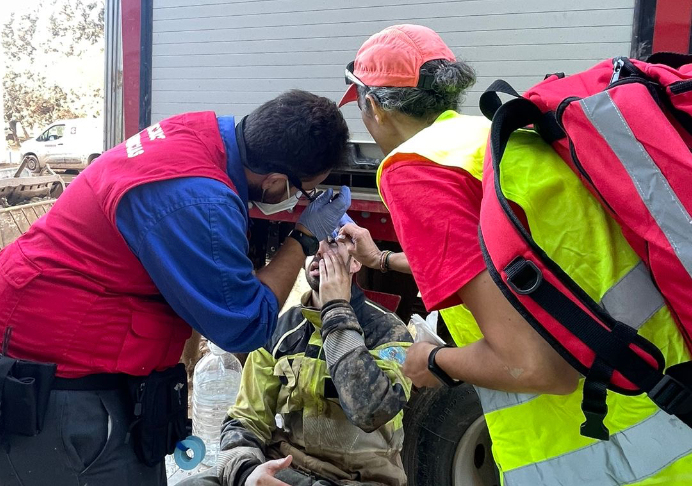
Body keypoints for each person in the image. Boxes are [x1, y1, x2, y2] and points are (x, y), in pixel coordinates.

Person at [338, 25, 692, 485]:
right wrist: (383, 261)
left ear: (373, 106)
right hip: (669, 404)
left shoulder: (415, 171)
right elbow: (517, 268)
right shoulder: (500, 136)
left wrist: (431, 361)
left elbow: (534, 365)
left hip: (601, 448)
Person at [0, 90, 352, 486]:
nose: (302, 201)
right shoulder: (197, 199)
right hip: (62, 375)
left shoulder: (201, 134)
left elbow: (222, 281)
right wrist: (304, 236)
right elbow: (246, 323)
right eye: (304, 192)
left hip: (52, 325)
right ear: (274, 182)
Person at [180, 236, 413, 486]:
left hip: (357, 480)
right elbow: (246, 419)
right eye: (313, 243)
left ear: (356, 262)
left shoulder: (389, 333)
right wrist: (248, 475)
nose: (320, 251)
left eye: (333, 242)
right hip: (283, 469)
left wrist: (335, 310)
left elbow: (370, 411)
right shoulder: (280, 330)